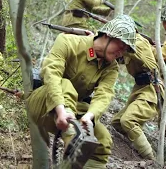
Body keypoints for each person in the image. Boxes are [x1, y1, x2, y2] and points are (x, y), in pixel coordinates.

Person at [26, 15, 137, 168]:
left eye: (126, 50)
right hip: (43, 105)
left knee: (102, 140)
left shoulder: (111, 68)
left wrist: (89, 117)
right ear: (108, 36)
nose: (121, 52)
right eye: (122, 45)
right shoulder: (68, 42)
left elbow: (104, 94)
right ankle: (71, 137)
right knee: (65, 84)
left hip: (74, 111)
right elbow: (51, 74)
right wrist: (61, 110)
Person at [111, 17, 164, 160]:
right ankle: (136, 149)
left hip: (152, 88)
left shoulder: (138, 42)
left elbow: (152, 66)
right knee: (117, 123)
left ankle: (151, 160)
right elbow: (118, 59)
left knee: (127, 121)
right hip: (139, 88)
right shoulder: (126, 45)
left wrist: (126, 49)